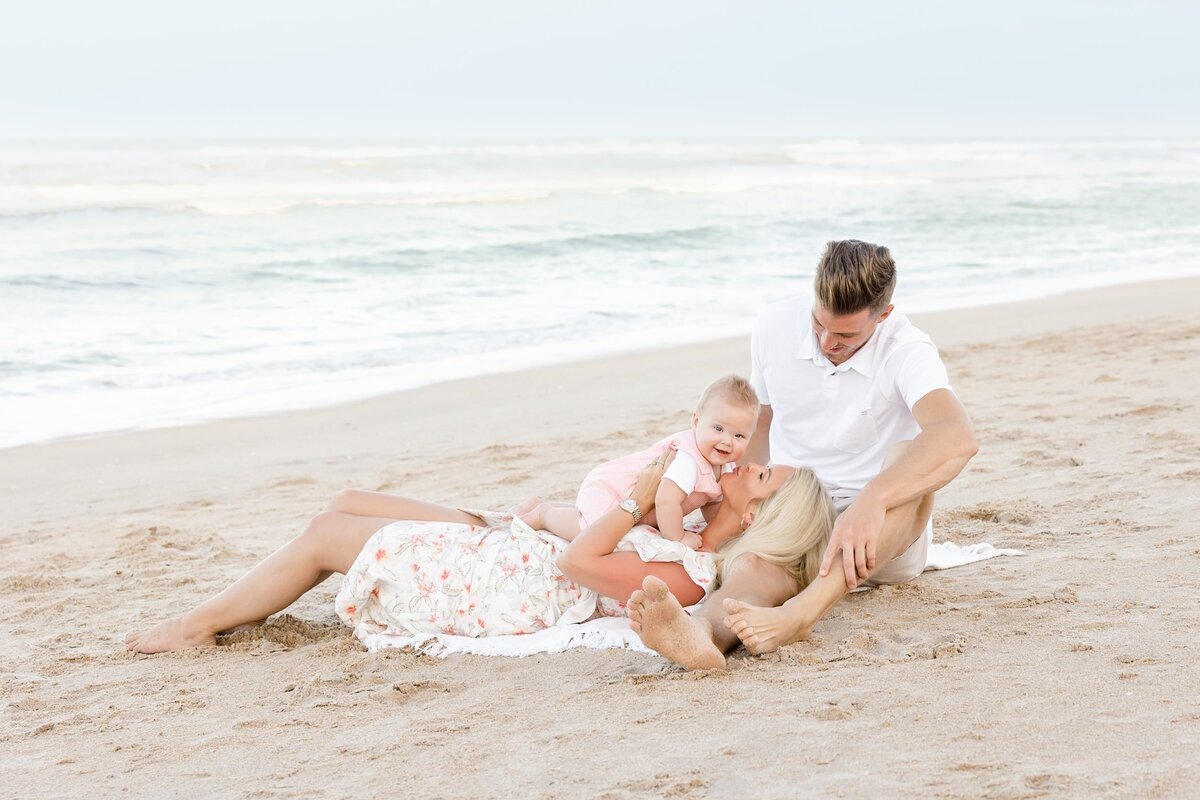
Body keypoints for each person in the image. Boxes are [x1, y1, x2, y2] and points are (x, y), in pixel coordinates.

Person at [628, 239, 979, 670]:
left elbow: (958, 437)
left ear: (883, 315)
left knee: (911, 461)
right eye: (819, 324)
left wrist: (873, 500)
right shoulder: (775, 323)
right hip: (794, 506)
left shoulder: (907, 349)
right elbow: (761, 423)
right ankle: (702, 635)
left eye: (845, 335)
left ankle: (801, 612)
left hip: (879, 535)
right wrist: (739, 502)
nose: (827, 341)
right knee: (753, 568)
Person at [125, 449, 834, 654]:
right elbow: (577, 529)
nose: (745, 463)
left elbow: (578, 565)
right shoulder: (689, 526)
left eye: (762, 475)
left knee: (325, 539)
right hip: (517, 548)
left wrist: (632, 502)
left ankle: (194, 628)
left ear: (763, 512)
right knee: (344, 504)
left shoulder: (691, 574)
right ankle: (226, 612)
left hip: (510, 585)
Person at [519, 375, 759, 550]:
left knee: (598, 518)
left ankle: (543, 504)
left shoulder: (724, 468)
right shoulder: (688, 460)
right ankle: (544, 515)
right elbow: (666, 501)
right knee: (588, 529)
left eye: (739, 436)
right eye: (718, 428)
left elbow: (710, 504)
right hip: (614, 489)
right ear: (696, 421)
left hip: (631, 505)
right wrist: (678, 537)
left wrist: (715, 532)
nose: (727, 441)